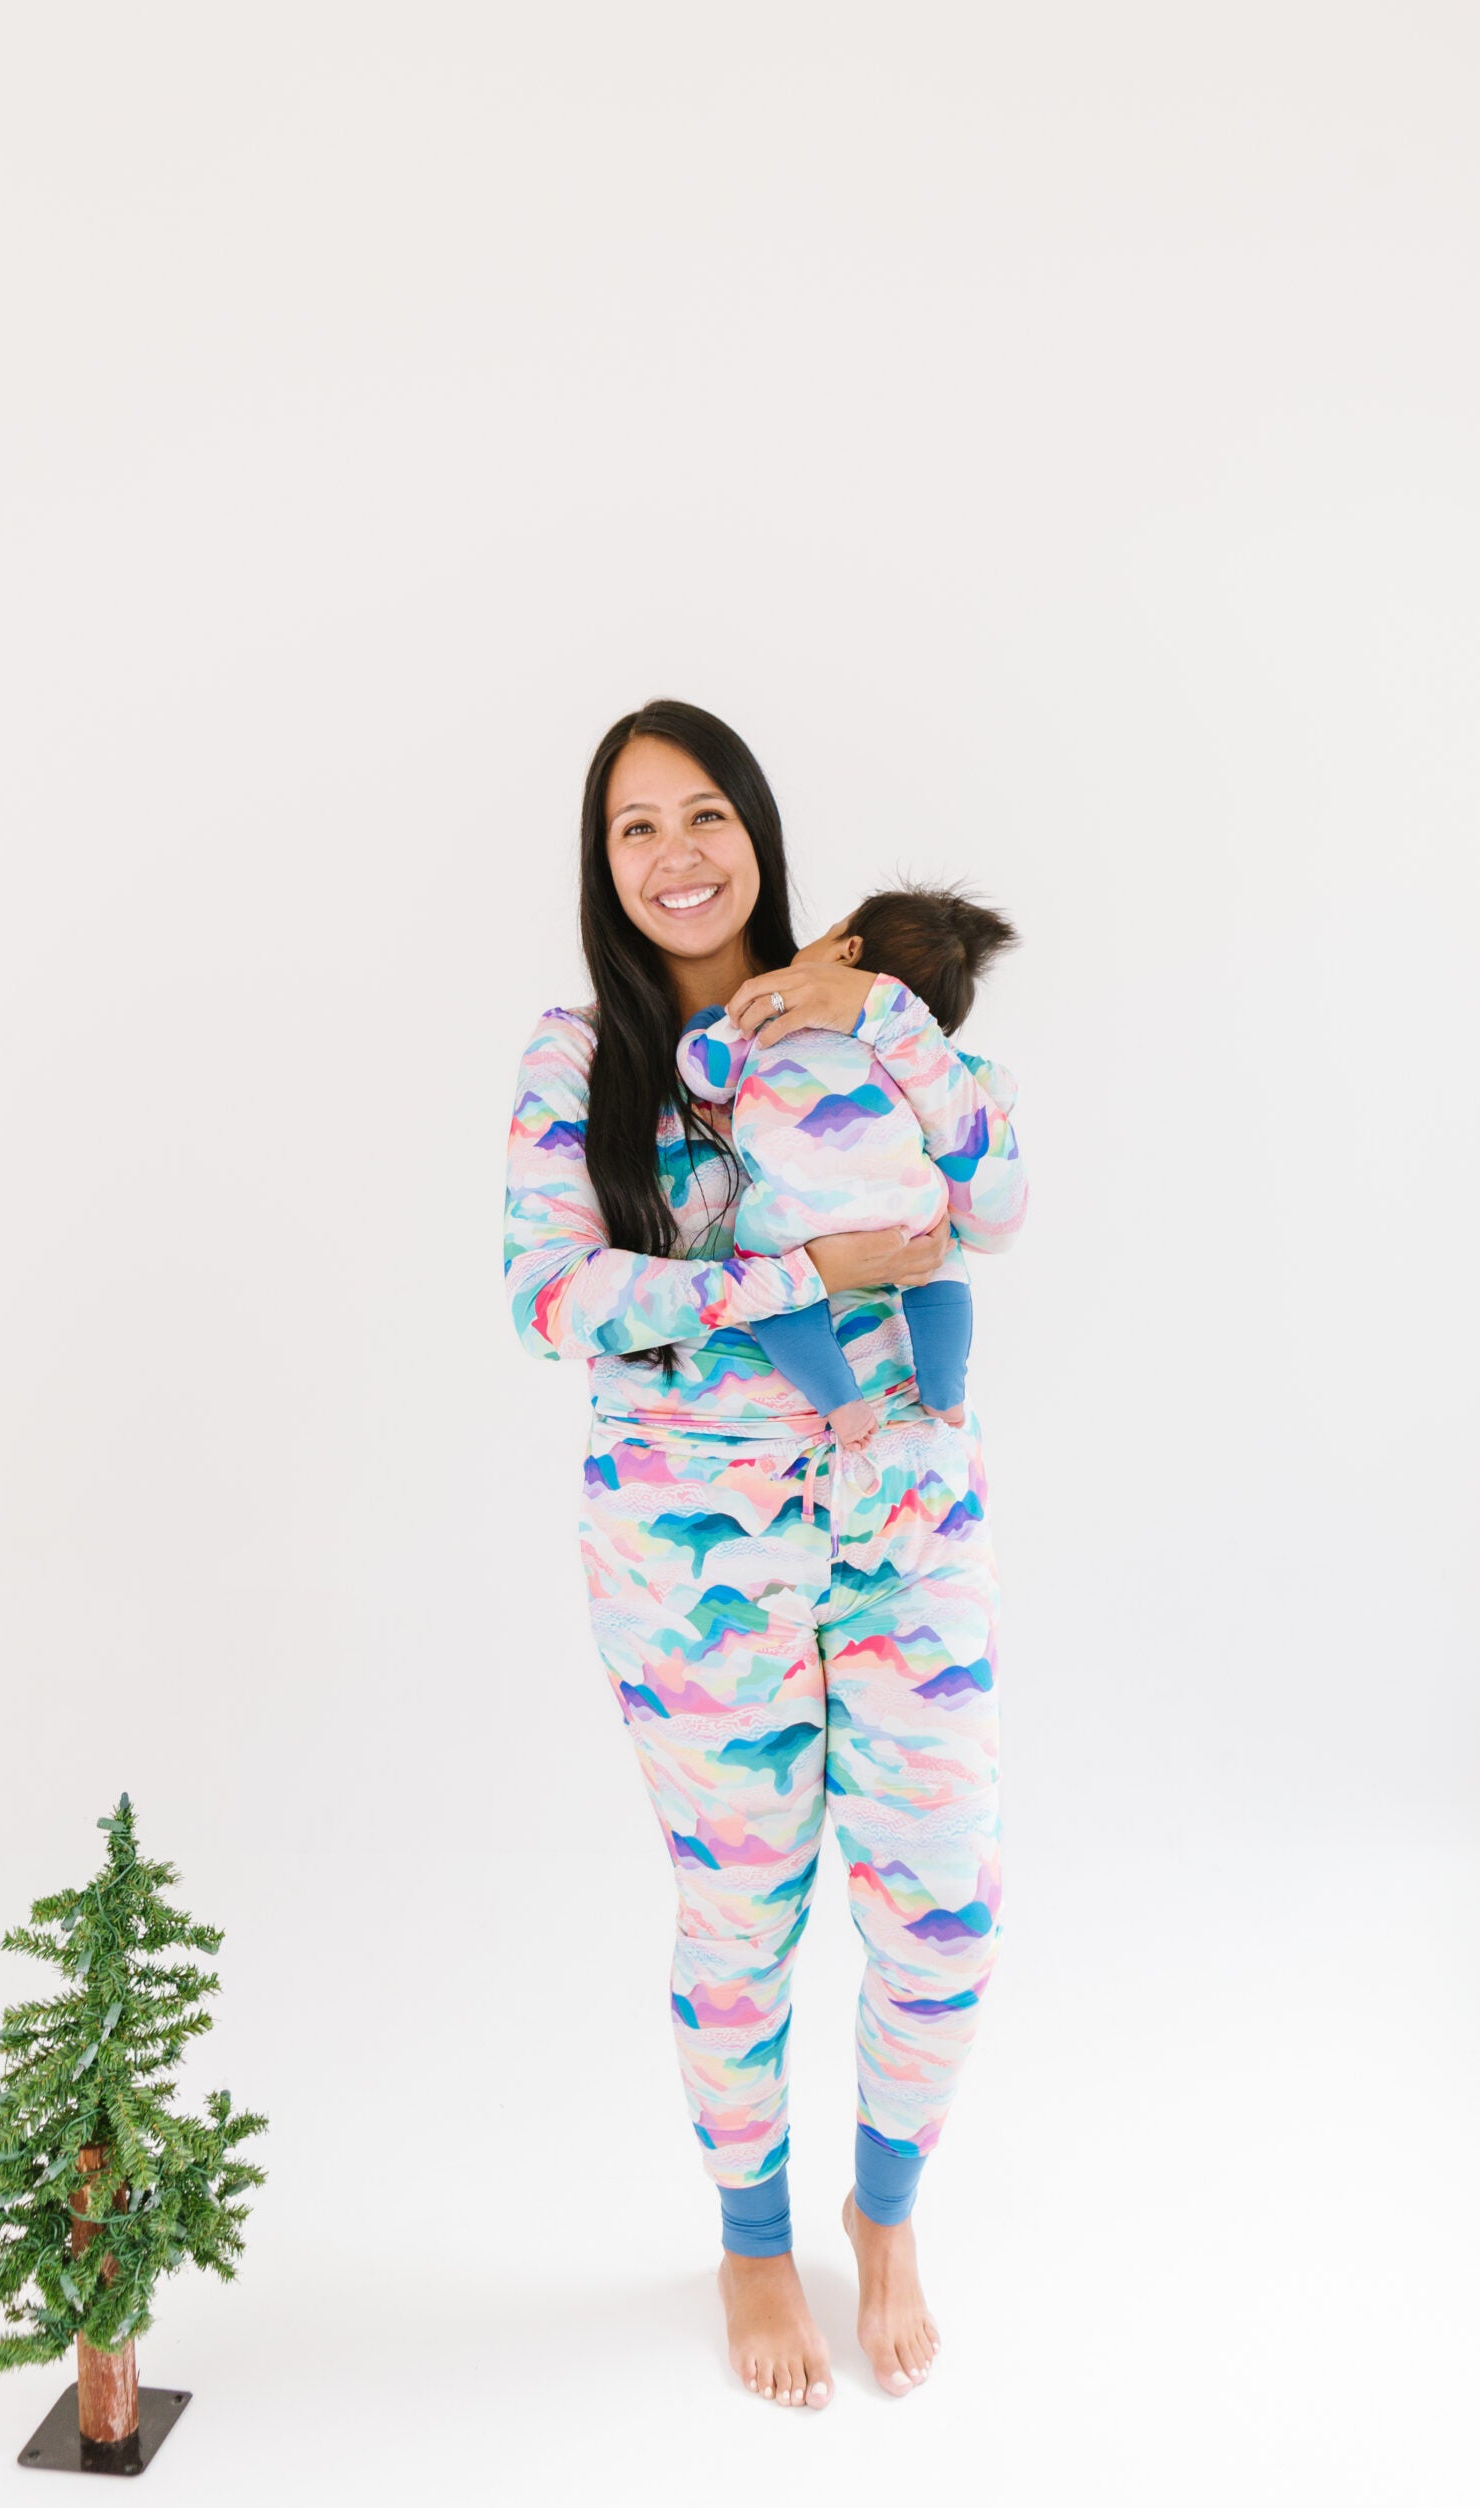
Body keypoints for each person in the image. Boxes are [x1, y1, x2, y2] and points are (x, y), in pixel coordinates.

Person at [504, 699, 1028, 2409]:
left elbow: (995, 1194)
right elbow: (555, 1296)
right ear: (604, 866)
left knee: (940, 1906)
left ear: (757, 831)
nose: (676, 854)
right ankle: (749, 2239)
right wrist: (797, 1281)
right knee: (742, 1916)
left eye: (705, 813)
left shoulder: (863, 1016)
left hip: (902, 1511)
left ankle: (885, 2216)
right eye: (636, 826)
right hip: (685, 1546)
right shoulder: (578, 1059)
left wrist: (875, 1009)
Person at [675, 886, 1019, 1445]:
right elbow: (993, 1086)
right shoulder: (908, 1045)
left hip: (794, 1211)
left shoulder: (767, 1015)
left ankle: (838, 1401)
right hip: (903, 1201)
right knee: (941, 1259)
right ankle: (944, 1385)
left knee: (771, 1289)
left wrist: (714, 1020)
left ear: (846, 949)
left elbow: (703, 1072)